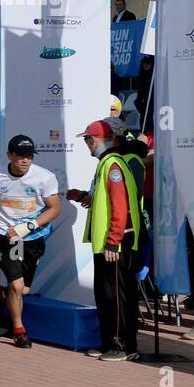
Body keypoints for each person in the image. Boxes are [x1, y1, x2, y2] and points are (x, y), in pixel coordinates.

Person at [65, 120, 142, 361]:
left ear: (102, 140)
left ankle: (120, 346)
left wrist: (113, 240)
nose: (87, 143)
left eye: (90, 139)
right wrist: (84, 197)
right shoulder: (106, 164)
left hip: (116, 243)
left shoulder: (113, 165)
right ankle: (111, 342)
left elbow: (120, 206)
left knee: (116, 296)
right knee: (107, 294)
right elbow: (106, 201)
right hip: (109, 242)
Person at [0, 135, 61, 349]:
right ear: (10, 155)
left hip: (31, 237)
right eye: (21, 156)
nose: (25, 160)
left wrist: (29, 226)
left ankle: (2, 293)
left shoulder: (44, 177)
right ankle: (19, 330)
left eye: (29, 156)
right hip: (5, 236)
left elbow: (54, 208)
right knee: (16, 285)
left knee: (22, 289)